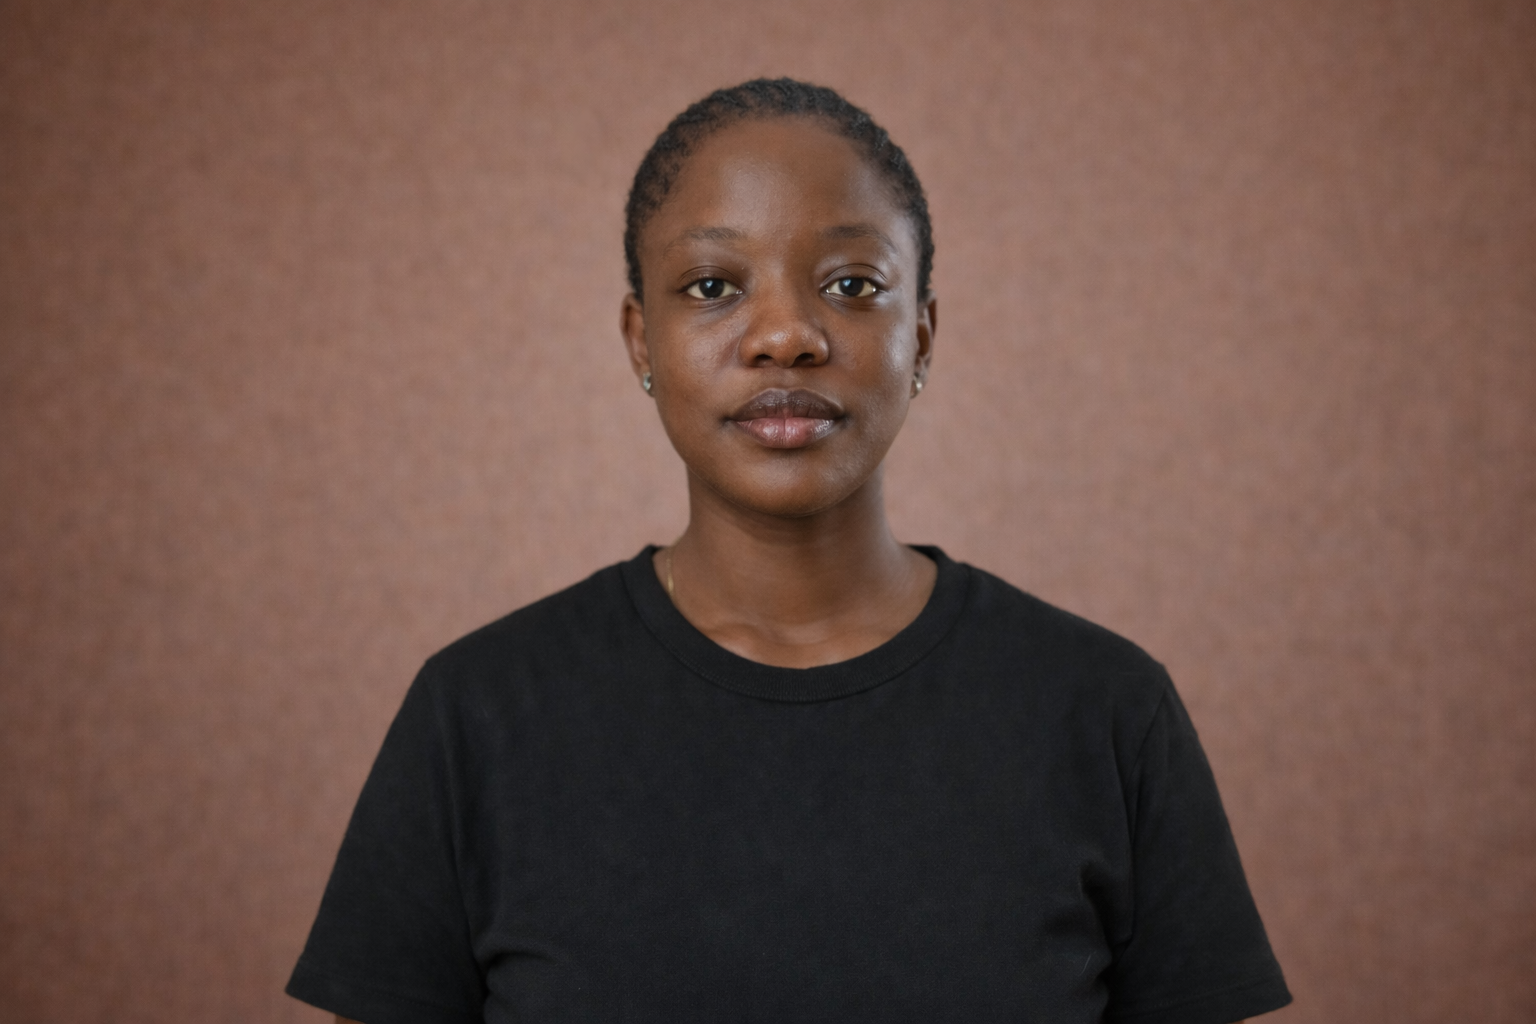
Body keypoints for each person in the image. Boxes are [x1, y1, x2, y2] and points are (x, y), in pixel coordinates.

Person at [287, 78, 1291, 1024]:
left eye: (853, 283)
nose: (786, 336)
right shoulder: (477, 715)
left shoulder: (1105, 709)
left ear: (925, 336)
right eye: (714, 283)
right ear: (641, 342)